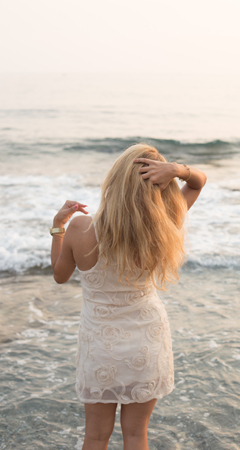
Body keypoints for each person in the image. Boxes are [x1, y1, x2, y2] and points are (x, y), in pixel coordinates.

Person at [51, 143, 207, 450]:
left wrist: (58, 228)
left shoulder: (82, 227)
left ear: (115, 180)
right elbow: (198, 181)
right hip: (146, 340)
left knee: (96, 436)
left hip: (100, 344)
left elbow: (59, 275)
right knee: (137, 435)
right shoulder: (162, 225)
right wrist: (178, 170)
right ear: (161, 187)